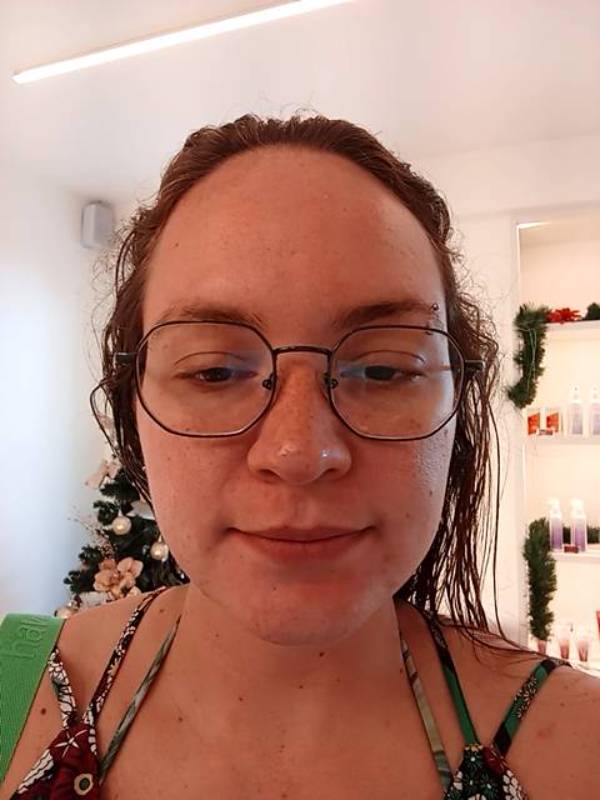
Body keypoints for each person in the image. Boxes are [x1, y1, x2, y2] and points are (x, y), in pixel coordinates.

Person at [2, 113, 599, 800]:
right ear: (130, 408)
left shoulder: (582, 753)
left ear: (457, 406)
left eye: (383, 370)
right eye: (213, 371)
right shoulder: (13, 688)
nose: (300, 452)